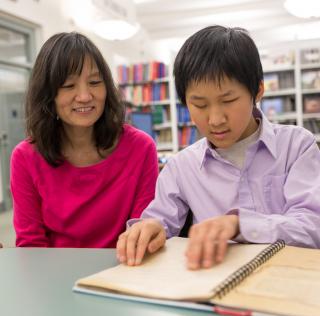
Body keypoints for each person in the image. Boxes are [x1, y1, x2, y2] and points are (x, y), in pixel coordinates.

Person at [116, 25, 320, 270]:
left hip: (290, 281)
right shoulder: (182, 168)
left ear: (258, 91)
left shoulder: (296, 146)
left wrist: (240, 224)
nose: (215, 120)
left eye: (228, 101)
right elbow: (159, 220)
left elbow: (312, 226)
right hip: (215, 289)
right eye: (200, 105)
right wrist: (148, 230)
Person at [10, 32, 158, 247]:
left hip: (125, 271)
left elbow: (142, 233)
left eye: (95, 82)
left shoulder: (140, 148)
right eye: (69, 86)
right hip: (55, 276)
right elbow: (32, 245)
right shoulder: (25, 157)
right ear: (48, 95)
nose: (85, 96)